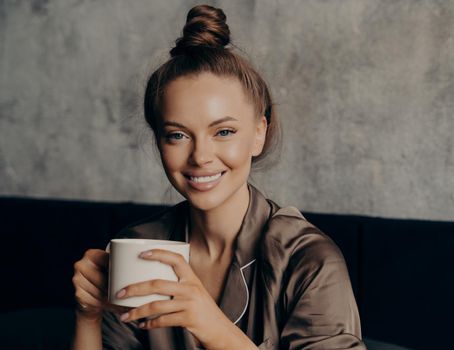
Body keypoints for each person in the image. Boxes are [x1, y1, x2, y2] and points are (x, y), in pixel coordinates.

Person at [72, 4, 364, 350]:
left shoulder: (308, 259)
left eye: (223, 132)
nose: (200, 156)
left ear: (259, 133)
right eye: (177, 135)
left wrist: (211, 325)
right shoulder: (140, 246)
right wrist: (87, 316)